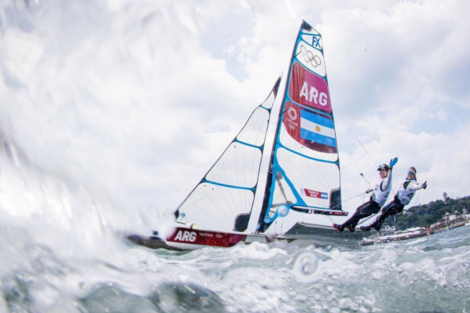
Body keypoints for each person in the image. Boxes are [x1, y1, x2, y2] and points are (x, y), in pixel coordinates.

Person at [333, 157, 397, 233]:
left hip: (374, 206)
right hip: (372, 203)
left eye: (383, 170)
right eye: (380, 171)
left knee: (357, 215)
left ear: (387, 171)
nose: (380, 172)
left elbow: (388, 181)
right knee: (358, 209)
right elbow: (379, 190)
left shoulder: (387, 181)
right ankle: (352, 226)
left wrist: (391, 169)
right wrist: (371, 190)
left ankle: (341, 227)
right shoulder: (382, 181)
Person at [360, 167, 427, 232]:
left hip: (398, 204)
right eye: (408, 173)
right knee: (384, 211)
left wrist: (422, 186)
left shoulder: (412, 184)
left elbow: (416, 187)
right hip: (396, 202)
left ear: (414, 176)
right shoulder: (408, 182)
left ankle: (371, 227)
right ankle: (377, 226)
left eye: (411, 174)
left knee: (385, 212)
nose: (409, 175)